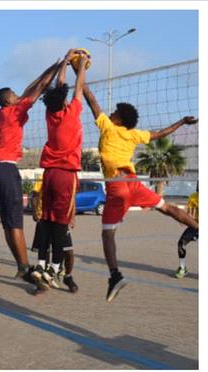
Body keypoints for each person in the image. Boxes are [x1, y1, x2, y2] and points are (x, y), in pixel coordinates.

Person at [81, 83, 198, 301]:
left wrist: (80, 73)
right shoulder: (135, 134)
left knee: (108, 234)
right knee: (167, 208)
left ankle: (115, 276)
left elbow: (91, 101)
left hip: (117, 185)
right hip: (133, 183)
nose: (111, 113)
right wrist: (182, 122)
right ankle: (199, 229)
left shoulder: (108, 126)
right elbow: (161, 133)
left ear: (119, 119)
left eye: (115, 112)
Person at [0, 58, 63, 282]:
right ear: (8, 100)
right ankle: (26, 268)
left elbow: (30, 87)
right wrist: (59, 69)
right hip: (6, 170)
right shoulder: (13, 112)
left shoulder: (6, 113)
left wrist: (50, 67)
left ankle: (21, 267)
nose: (18, 96)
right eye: (14, 94)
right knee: (16, 222)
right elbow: (38, 89)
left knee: (9, 223)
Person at [31, 49, 87, 294]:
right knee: (61, 225)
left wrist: (65, 62)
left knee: (47, 220)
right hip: (65, 174)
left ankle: (42, 266)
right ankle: (53, 268)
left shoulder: (50, 114)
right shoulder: (73, 113)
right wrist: (81, 67)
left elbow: (60, 86)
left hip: (49, 174)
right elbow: (77, 88)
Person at [29, 172, 77, 292]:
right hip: (45, 219)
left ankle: (67, 277)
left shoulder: (70, 176)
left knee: (68, 251)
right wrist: (35, 212)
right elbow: (34, 195)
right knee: (45, 251)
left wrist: (72, 216)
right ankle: (43, 283)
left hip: (61, 219)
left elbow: (71, 197)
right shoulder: (44, 176)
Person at [175, 186, 198, 278]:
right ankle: (182, 267)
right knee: (181, 243)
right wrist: (184, 219)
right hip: (195, 225)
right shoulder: (193, 197)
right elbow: (189, 212)